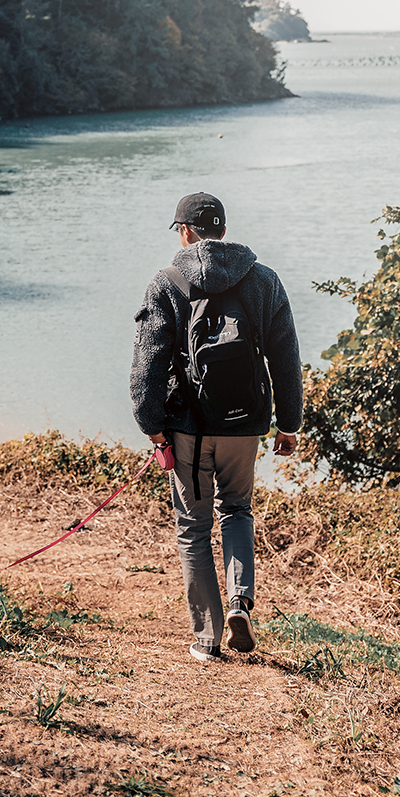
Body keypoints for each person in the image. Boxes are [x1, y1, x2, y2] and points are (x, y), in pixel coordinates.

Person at [130, 192, 303, 662]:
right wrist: (288, 423)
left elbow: (147, 364)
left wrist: (153, 426)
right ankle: (241, 602)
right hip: (245, 426)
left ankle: (206, 639)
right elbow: (286, 357)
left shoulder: (166, 282)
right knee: (238, 512)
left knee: (193, 527)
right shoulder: (264, 280)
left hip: (187, 428)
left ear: (185, 232)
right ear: (223, 231)